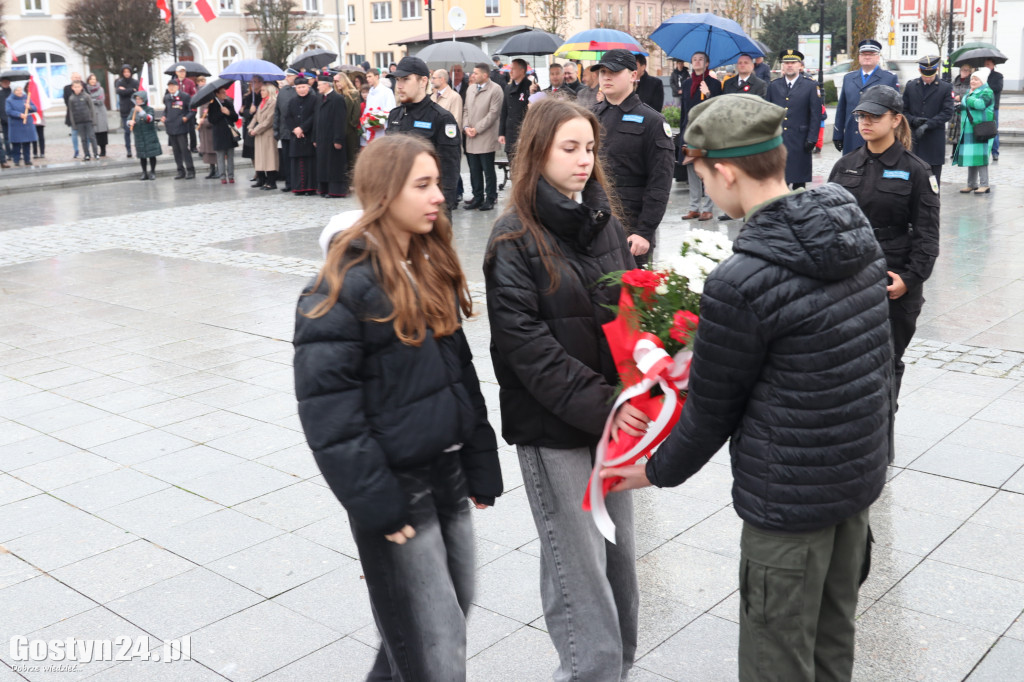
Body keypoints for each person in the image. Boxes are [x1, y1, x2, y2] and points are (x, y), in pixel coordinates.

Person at [608, 92, 891, 682]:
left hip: (788, 505)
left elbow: (712, 409)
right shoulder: (851, 229)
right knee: (833, 645)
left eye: (703, 177)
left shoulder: (743, 279)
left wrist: (655, 469)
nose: (704, 190)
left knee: (777, 660)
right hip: (855, 488)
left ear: (728, 171)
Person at [295, 134, 502, 682]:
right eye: (423, 185)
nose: (440, 195)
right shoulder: (338, 289)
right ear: (385, 193)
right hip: (397, 491)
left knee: (443, 621)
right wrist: (378, 506)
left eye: (438, 182)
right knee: (433, 648)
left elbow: (460, 380)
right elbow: (329, 417)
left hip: (448, 475)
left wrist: (480, 465)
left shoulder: (426, 265)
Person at [484, 97, 640, 682]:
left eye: (590, 149)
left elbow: (630, 316)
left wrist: (650, 376)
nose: (584, 160)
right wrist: (608, 406)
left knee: (618, 570)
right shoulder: (512, 239)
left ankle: (614, 671)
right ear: (537, 152)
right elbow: (528, 351)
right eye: (569, 148)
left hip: (615, 428)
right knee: (581, 580)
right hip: (558, 432)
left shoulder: (604, 224)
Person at [829, 85, 939, 406]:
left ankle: (881, 435)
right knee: (844, 361)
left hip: (892, 283)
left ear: (895, 120)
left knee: (886, 363)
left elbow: (927, 235)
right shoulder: (845, 165)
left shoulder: (916, 170)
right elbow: (826, 224)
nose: (866, 122)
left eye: (875, 116)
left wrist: (910, 279)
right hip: (848, 281)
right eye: (862, 115)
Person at [591, 49, 674, 267]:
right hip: (592, 223)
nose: (606, 77)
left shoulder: (652, 121)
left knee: (630, 295)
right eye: (602, 71)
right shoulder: (589, 117)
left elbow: (660, 183)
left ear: (633, 75)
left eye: (614, 72)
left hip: (630, 227)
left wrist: (644, 231)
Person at [385, 56, 462, 213]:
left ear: (423, 81)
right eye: (398, 80)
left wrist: (442, 209)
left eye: (406, 79)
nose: (399, 86)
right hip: (398, 203)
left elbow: (449, 169)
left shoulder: (441, 118)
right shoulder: (395, 115)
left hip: (428, 205)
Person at [766, 49, 822, 190]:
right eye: (786, 63)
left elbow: (815, 115)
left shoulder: (810, 86)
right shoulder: (774, 86)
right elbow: (768, 114)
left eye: (793, 62)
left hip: (800, 141)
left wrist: (812, 138)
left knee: (799, 185)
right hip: (779, 142)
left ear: (800, 66)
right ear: (782, 66)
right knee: (779, 183)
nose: (789, 65)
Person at [834, 39, 899, 155]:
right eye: (864, 54)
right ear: (859, 57)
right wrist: (837, 134)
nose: (867, 57)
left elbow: (896, 110)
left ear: (878, 57)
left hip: (878, 136)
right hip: (852, 137)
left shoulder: (889, 79)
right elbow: (842, 108)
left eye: (871, 54)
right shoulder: (849, 78)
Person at [679, 51, 722, 221]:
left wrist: (709, 93)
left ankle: (708, 208)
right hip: (690, 132)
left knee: (709, 171)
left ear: (707, 63)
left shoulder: (714, 84)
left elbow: (718, 108)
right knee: (692, 168)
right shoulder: (688, 82)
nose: (697, 62)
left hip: (707, 132)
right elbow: (684, 110)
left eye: (700, 60)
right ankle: (694, 207)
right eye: (694, 59)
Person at [902, 55, 954, 183]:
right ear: (920, 71)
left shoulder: (945, 88)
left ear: (936, 71)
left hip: (934, 141)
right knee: (913, 179)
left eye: (931, 75)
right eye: (925, 75)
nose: (928, 78)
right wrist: (913, 120)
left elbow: (947, 112)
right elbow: (903, 111)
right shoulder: (911, 86)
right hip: (915, 140)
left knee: (933, 181)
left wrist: (928, 125)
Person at [463, 63, 504, 211]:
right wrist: (466, 127)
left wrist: (477, 129)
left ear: (485, 75)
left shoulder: (495, 89)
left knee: (488, 170)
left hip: (485, 136)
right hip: (471, 136)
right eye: (472, 73)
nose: (472, 75)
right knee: (474, 170)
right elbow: (466, 109)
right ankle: (478, 197)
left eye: (476, 73)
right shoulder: (471, 88)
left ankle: (491, 197)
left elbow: (493, 113)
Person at [952, 67, 995, 194]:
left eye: (976, 79)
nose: (973, 81)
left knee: (981, 157)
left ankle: (984, 184)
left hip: (982, 129)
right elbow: (968, 108)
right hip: (970, 128)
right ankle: (971, 184)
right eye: (972, 79)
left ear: (982, 81)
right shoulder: (971, 92)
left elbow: (980, 105)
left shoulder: (987, 91)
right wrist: (960, 108)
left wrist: (967, 98)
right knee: (971, 156)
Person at [313, 73, 349, 198]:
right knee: (323, 164)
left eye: (319, 85)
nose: (317, 88)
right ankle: (324, 189)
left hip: (332, 138)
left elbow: (340, 120)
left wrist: (338, 139)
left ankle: (335, 190)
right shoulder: (319, 98)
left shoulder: (337, 99)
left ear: (326, 85)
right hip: (321, 138)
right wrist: (314, 137)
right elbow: (316, 119)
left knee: (333, 165)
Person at [286, 78, 318, 195]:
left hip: (308, 134)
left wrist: (303, 128)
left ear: (308, 87)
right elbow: (288, 117)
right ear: (296, 89)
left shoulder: (314, 100)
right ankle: (298, 187)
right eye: (299, 88)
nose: (301, 90)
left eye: (303, 87)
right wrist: (295, 129)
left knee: (309, 162)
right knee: (296, 162)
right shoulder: (292, 101)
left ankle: (310, 188)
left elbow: (314, 116)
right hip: (296, 136)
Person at [498, 59, 532, 165]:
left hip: (524, 132)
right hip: (510, 133)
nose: (510, 72)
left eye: (513, 69)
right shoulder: (508, 88)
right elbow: (504, 111)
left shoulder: (530, 86)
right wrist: (501, 133)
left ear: (522, 71)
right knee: (513, 166)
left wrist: (533, 93)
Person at [248, 81, 279, 190]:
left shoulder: (273, 102)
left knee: (269, 158)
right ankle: (261, 180)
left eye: (263, 90)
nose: (261, 92)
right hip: (259, 134)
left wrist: (256, 130)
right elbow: (255, 117)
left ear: (269, 91)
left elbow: (269, 120)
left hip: (267, 134)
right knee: (260, 158)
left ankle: (271, 182)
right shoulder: (262, 102)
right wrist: (250, 127)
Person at [161, 80, 195, 179]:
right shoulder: (167, 97)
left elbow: (192, 110)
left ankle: (190, 170)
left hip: (181, 126)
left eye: (173, 86)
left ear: (177, 87)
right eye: (169, 86)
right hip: (171, 126)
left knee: (184, 149)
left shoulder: (184, 96)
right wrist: (164, 116)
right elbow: (166, 110)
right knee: (176, 150)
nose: (171, 88)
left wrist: (186, 118)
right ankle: (180, 170)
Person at [206, 84, 239, 185]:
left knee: (230, 156)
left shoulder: (229, 102)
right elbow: (211, 120)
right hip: (219, 134)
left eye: (225, 92)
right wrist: (221, 113)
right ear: (217, 94)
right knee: (220, 157)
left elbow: (235, 117)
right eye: (222, 92)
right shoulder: (212, 105)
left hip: (229, 134)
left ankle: (231, 175)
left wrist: (228, 112)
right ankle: (222, 176)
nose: (225, 94)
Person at [333, 71, 363, 174]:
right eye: (335, 82)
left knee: (352, 155)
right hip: (339, 129)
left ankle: (352, 179)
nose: (337, 84)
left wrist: (352, 124)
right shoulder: (337, 95)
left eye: (339, 81)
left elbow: (356, 112)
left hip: (350, 129)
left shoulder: (353, 93)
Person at [127, 90, 160, 180]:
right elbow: (128, 120)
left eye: (139, 99)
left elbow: (149, 119)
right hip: (139, 135)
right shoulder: (133, 110)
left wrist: (141, 111)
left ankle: (152, 171)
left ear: (144, 99)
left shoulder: (149, 109)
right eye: (136, 99)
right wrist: (130, 122)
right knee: (142, 155)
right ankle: (144, 172)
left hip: (149, 135)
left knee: (152, 154)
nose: (137, 100)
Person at [4, 85, 38, 167]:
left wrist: (29, 106)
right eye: (17, 90)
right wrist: (19, 114)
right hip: (16, 124)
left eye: (21, 90)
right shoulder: (9, 100)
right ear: (14, 92)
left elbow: (35, 108)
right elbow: (8, 111)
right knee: (16, 144)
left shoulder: (26, 98)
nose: (20, 92)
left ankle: (27, 160)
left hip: (27, 124)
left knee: (27, 143)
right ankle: (16, 160)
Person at [67, 81, 99, 161]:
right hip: (79, 121)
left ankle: (96, 153)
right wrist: (73, 124)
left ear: (81, 87)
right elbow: (71, 111)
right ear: (72, 88)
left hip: (88, 120)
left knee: (92, 137)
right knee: (83, 139)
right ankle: (86, 154)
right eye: (75, 87)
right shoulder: (71, 98)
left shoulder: (86, 96)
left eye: (78, 87)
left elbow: (91, 108)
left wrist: (93, 120)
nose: (77, 88)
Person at [363, 67, 396, 145]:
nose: (367, 79)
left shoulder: (387, 91)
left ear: (377, 76)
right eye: (367, 77)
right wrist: (366, 121)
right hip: (371, 130)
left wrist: (379, 120)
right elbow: (367, 110)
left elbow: (391, 109)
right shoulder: (370, 93)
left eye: (370, 76)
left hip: (382, 130)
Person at [241, 76, 264, 176]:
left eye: (254, 82)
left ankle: (263, 171)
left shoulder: (263, 95)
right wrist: (249, 112)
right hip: (250, 124)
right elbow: (242, 111)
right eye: (251, 82)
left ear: (260, 83)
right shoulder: (248, 96)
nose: (252, 84)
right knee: (251, 151)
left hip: (261, 125)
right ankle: (257, 171)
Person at [114, 65, 138, 157]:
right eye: (125, 72)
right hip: (124, 110)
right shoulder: (119, 82)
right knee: (127, 131)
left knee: (136, 131)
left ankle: (137, 148)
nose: (126, 73)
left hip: (134, 109)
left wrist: (128, 90)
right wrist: (131, 90)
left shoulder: (135, 82)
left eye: (128, 71)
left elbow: (136, 93)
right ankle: (128, 150)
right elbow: (119, 92)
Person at [173, 65, 199, 153]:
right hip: (178, 109)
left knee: (191, 128)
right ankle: (183, 146)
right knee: (180, 129)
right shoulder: (174, 82)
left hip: (189, 109)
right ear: (176, 73)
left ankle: (193, 146)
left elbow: (194, 94)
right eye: (180, 71)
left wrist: (186, 99)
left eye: (183, 71)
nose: (182, 73)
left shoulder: (190, 82)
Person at [85, 74, 109, 157]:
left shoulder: (101, 89)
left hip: (101, 112)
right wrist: (94, 100)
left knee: (102, 132)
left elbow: (101, 100)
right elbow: (86, 100)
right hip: (91, 113)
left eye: (94, 79)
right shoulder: (86, 90)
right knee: (94, 133)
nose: (93, 81)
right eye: (91, 79)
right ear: (88, 81)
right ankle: (95, 151)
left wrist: (91, 100)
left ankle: (103, 150)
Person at [949, 63, 973, 145]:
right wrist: (954, 98)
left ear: (970, 72)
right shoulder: (955, 81)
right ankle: (954, 151)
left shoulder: (971, 82)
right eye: (963, 70)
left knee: (963, 132)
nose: (964, 72)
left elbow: (972, 95)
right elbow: (950, 92)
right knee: (954, 132)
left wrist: (961, 97)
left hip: (965, 111)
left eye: (967, 70)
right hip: (955, 111)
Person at [62, 72, 84, 158]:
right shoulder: (67, 88)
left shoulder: (84, 87)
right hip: (72, 114)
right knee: (74, 133)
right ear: (71, 78)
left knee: (85, 134)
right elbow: (66, 101)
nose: (77, 79)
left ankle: (87, 150)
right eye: (75, 77)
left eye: (78, 77)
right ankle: (76, 150)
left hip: (84, 114)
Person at [985, 58, 1002, 161]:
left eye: (988, 64)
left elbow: (997, 88)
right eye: (985, 64)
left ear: (993, 65)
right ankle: (985, 151)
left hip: (993, 107)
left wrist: (985, 86)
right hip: (982, 106)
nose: (986, 66)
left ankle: (995, 152)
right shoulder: (981, 76)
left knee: (994, 130)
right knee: (982, 129)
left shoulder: (998, 76)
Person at [197, 101, 219, 179]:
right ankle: (212, 169)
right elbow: (201, 116)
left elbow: (215, 117)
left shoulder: (213, 103)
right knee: (208, 152)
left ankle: (219, 170)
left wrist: (206, 122)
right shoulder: (202, 104)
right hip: (204, 132)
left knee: (214, 151)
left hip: (212, 131)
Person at [0, 76, 11, 163]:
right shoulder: (0, 94)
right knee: (6, 138)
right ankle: (9, 153)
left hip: (14, 119)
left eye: (7, 82)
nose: (5, 84)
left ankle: (16, 152)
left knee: (16, 138)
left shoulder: (13, 93)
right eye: (4, 82)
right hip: (4, 120)